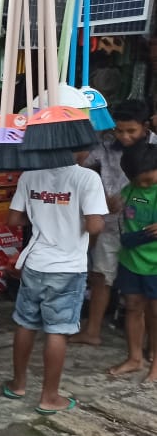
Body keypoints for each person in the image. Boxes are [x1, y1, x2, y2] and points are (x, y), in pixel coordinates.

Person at [3, 156, 107, 413]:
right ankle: (49, 397)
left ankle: (18, 384)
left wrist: (42, 218)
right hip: (67, 267)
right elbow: (95, 226)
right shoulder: (87, 178)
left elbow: (14, 220)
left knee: (26, 323)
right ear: (79, 149)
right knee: (57, 331)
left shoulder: (29, 175)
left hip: (35, 262)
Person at [72, 99, 157, 345]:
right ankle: (93, 332)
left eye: (131, 131)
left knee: (147, 295)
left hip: (147, 231)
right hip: (111, 223)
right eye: (119, 130)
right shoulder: (106, 145)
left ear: (145, 126)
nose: (124, 136)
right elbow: (80, 165)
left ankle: (149, 348)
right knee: (100, 276)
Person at [108, 144, 157, 381]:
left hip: (155, 265)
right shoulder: (130, 189)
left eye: (149, 180)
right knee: (133, 307)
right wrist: (111, 204)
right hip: (131, 259)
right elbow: (116, 206)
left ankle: (155, 362)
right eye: (139, 182)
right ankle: (134, 358)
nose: (144, 186)